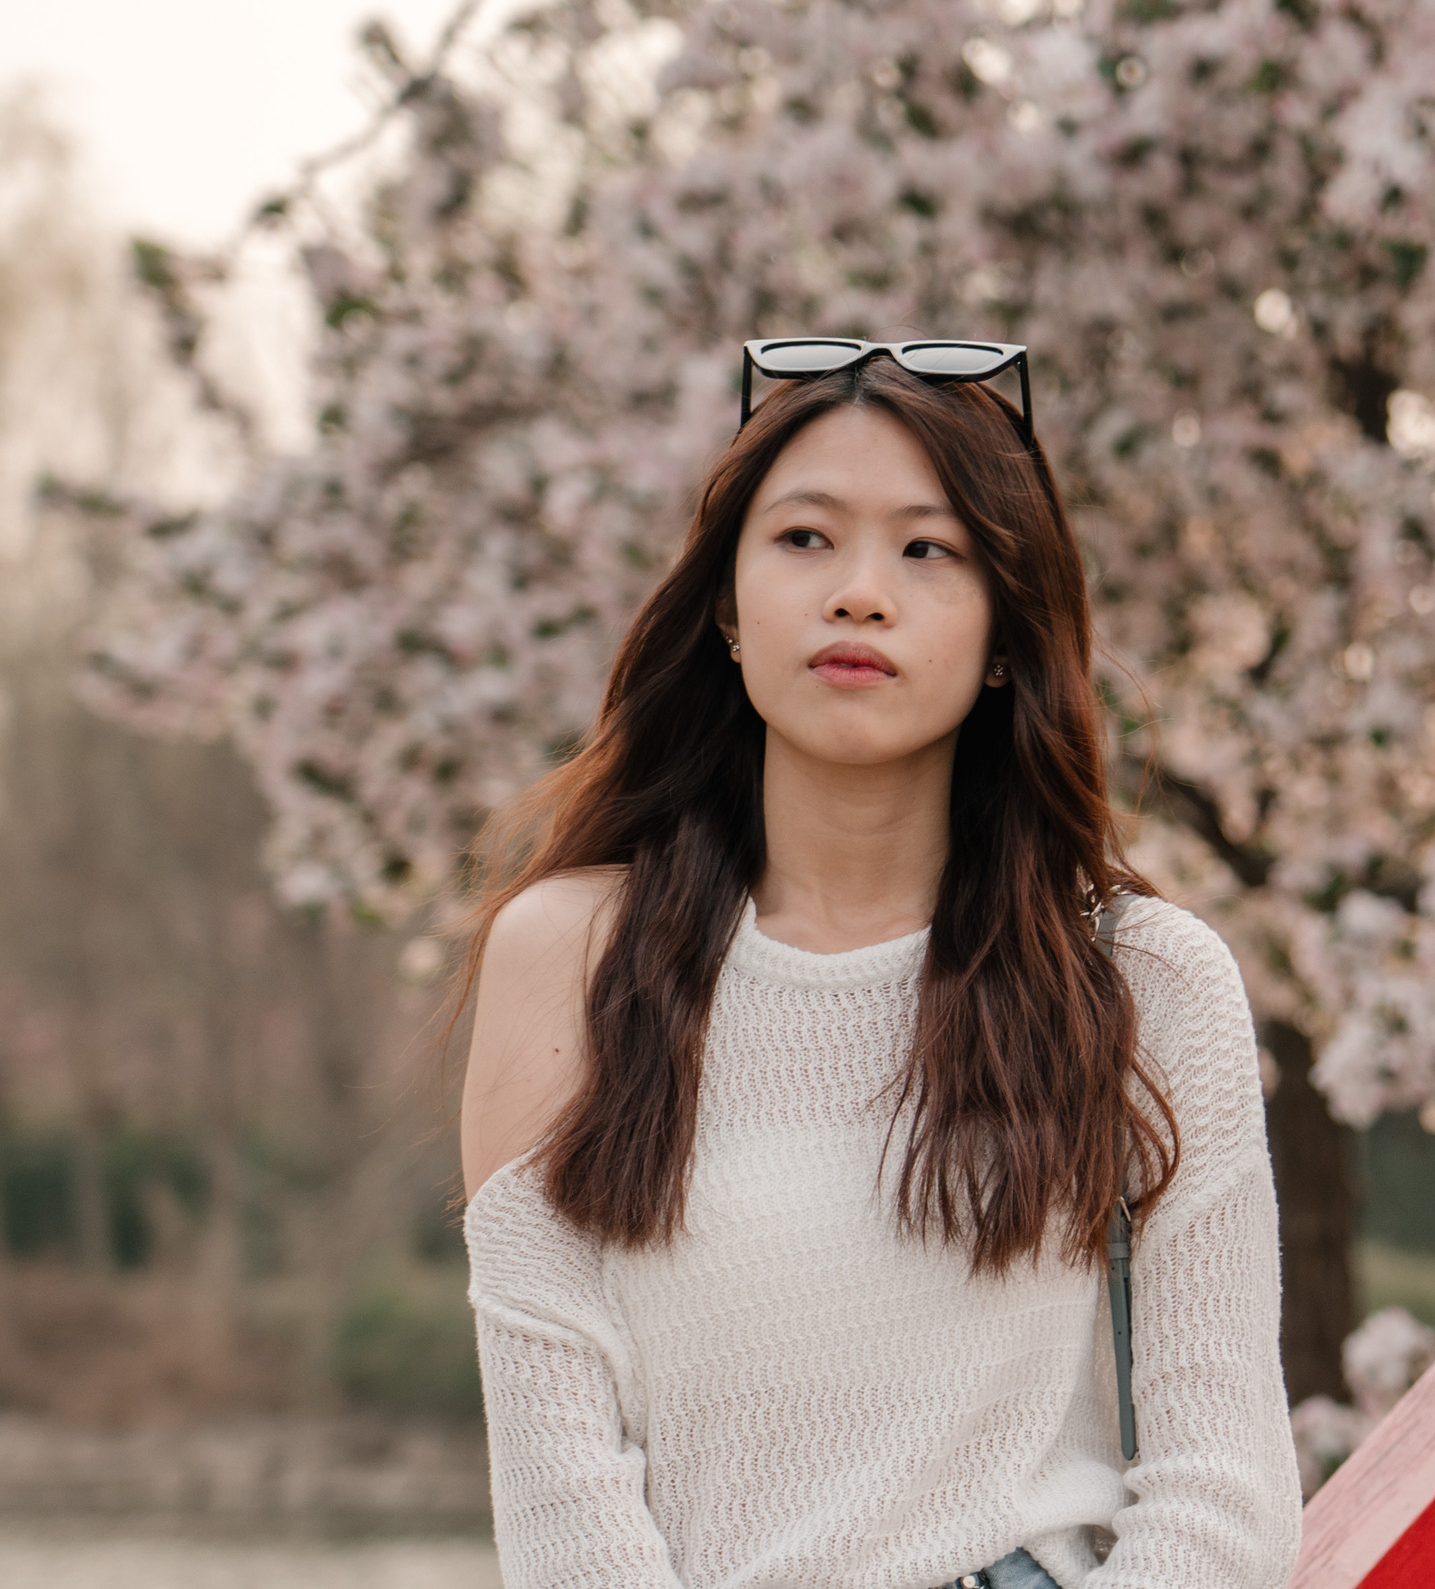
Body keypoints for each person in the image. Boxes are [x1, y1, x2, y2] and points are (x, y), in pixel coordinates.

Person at [453, 344, 1300, 1589]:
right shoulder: (573, 959)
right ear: (729, 614)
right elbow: (560, 1489)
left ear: (1007, 631)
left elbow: (1227, 1497)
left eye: (927, 550)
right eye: (805, 539)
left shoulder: (1139, 981)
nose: (860, 593)